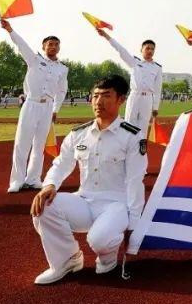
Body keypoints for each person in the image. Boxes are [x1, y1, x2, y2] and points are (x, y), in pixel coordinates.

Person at [30, 75, 147, 285]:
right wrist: (49, 185)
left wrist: (135, 222)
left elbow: (134, 181)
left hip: (116, 205)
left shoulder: (132, 136)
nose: (98, 102)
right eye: (95, 96)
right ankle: (67, 259)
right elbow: (61, 163)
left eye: (106, 96)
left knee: (99, 240)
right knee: (44, 206)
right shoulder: (79, 133)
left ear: (120, 99)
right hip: (84, 200)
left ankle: (108, 256)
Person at [2, 19, 69, 193]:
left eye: (56, 44)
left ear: (59, 48)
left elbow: (62, 91)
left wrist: (56, 109)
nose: (53, 47)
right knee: (22, 144)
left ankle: (33, 179)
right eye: (50, 44)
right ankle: (16, 181)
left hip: (47, 107)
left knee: (39, 145)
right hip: (31, 104)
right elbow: (21, 44)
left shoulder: (63, 69)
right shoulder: (34, 59)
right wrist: (10, 30)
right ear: (44, 46)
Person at [98, 29, 163, 128]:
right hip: (135, 96)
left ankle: (140, 144)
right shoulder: (134, 62)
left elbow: (158, 89)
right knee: (128, 125)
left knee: (143, 127)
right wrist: (107, 36)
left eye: (152, 49)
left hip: (148, 99)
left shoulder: (157, 67)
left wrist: (155, 107)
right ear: (141, 50)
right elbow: (120, 49)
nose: (150, 51)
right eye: (147, 48)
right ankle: (127, 144)